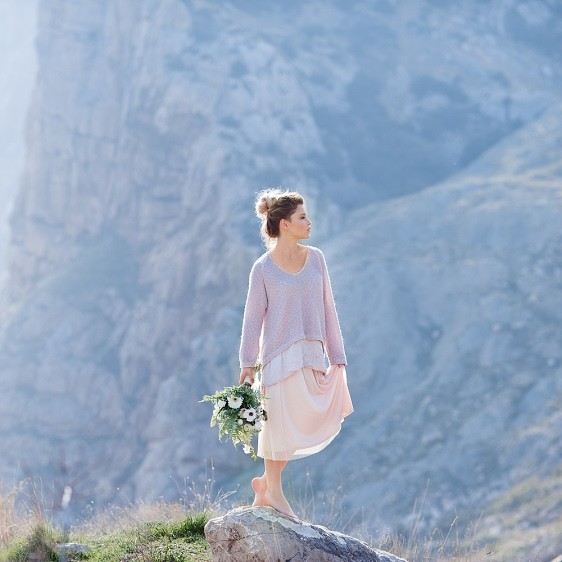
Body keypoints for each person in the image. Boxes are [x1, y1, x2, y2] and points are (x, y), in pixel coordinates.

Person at [238, 188, 353, 519]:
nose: (309, 222)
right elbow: (252, 318)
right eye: (302, 217)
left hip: (312, 353)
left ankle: (265, 485)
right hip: (278, 356)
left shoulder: (316, 258)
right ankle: (273, 491)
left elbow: (328, 307)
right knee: (278, 426)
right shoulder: (262, 268)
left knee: (301, 419)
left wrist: (336, 353)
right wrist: (247, 363)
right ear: (285, 224)